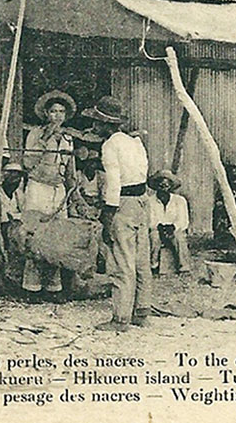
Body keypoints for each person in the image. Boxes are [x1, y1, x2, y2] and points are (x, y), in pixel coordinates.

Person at [87, 96, 150, 331]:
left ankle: (121, 318)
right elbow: (142, 172)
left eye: (97, 122)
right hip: (142, 201)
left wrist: (108, 211)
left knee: (122, 261)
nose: (94, 127)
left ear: (105, 124)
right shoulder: (135, 142)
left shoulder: (110, 145)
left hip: (123, 203)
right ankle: (142, 311)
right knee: (141, 259)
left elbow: (113, 182)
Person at [21, 90, 76, 300]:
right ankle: (31, 287)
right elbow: (27, 163)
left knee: (57, 237)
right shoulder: (36, 133)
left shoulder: (69, 138)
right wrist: (44, 139)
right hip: (38, 188)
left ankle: (53, 287)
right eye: (53, 111)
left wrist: (73, 193)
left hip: (58, 191)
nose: (58, 116)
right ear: (46, 113)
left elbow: (70, 169)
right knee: (35, 236)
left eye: (61, 112)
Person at [146, 170, 191, 275]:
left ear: (170, 186)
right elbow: (149, 219)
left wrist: (173, 227)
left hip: (174, 229)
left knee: (180, 237)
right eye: (160, 185)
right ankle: (154, 266)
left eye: (166, 185)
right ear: (156, 186)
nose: (163, 188)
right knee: (154, 237)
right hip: (157, 229)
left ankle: (184, 267)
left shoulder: (180, 201)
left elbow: (183, 220)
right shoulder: (149, 201)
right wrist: (158, 226)